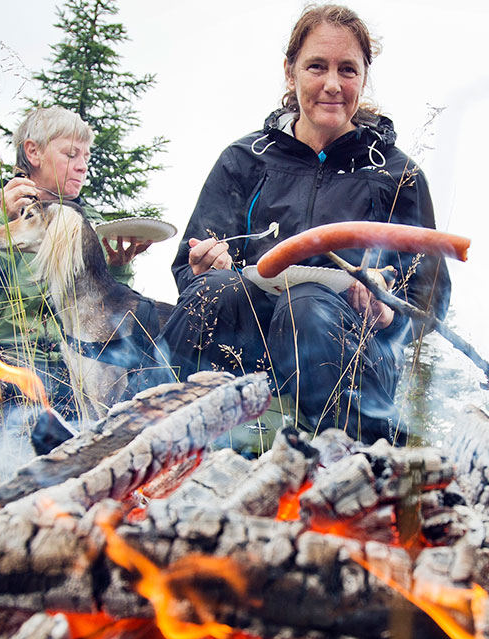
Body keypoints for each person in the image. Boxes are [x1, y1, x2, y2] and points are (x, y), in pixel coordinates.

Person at [163, 4, 449, 447]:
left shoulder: (396, 176)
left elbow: (431, 295)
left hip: (350, 360)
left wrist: (389, 311)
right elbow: (188, 267)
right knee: (218, 289)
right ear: (290, 71)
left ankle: (342, 458)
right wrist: (203, 267)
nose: (332, 84)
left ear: (364, 77)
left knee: (308, 304)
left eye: (347, 69)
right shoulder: (244, 160)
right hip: (246, 355)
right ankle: (166, 440)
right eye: (317, 66)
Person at [0, 106, 154, 451]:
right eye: (71, 154)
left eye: (86, 157)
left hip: (69, 368)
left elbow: (106, 322)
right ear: (33, 152)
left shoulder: (86, 223)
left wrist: (118, 268)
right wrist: (3, 224)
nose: (82, 165)